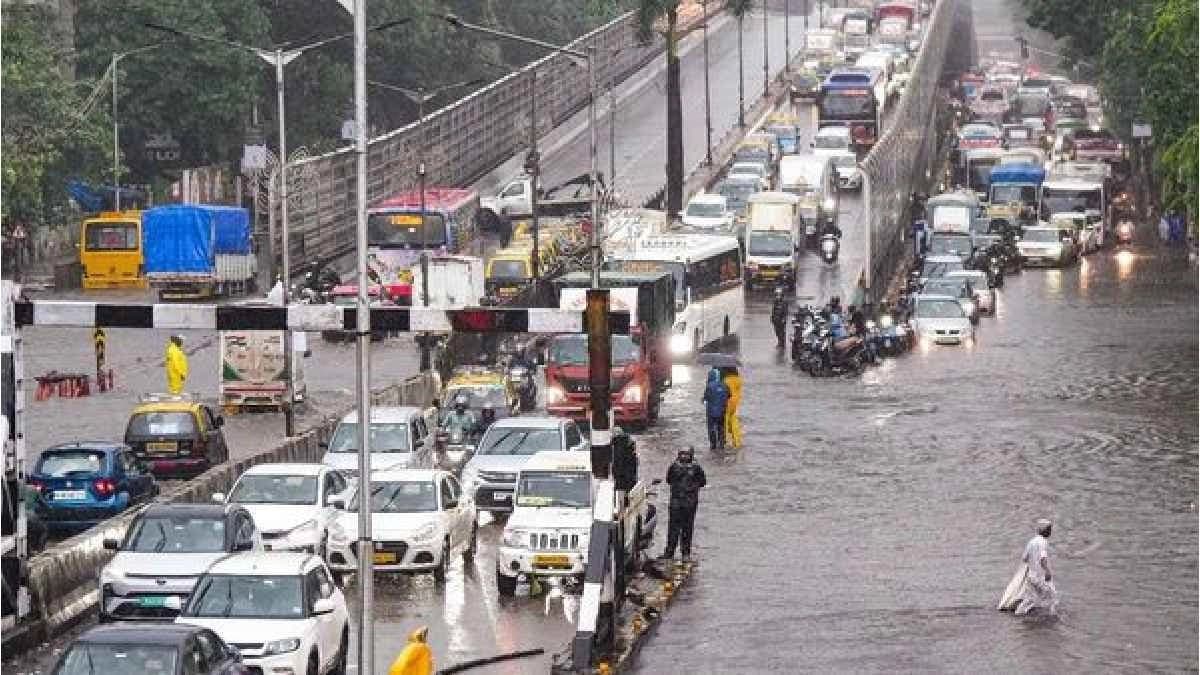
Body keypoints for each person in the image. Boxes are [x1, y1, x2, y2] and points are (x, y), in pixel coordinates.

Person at [661, 447, 707, 561]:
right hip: (676, 501)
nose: (684, 457)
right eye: (682, 454)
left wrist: (692, 489)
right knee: (673, 528)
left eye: (686, 455)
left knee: (687, 527)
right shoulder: (674, 466)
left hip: (690, 502)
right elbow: (668, 480)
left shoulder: (696, 468)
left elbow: (703, 482)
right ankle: (670, 551)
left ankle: (685, 552)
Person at [1015, 518, 1059, 616]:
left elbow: (1024, 558)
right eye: (1049, 529)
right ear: (1045, 531)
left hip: (1031, 576)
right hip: (1041, 576)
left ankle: (1018, 614)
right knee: (1053, 597)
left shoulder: (1031, 542)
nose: (1050, 532)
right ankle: (1052, 619)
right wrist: (1047, 571)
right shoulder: (1043, 542)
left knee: (1030, 598)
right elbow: (1043, 559)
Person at [701, 368, 729, 451]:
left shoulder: (709, 386)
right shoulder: (724, 385)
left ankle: (713, 445)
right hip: (722, 411)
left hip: (711, 412)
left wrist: (703, 400)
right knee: (721, 427)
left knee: (711, 428)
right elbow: (729, 395)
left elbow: (706, 398)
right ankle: (722, 443)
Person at [721, 367, 743, 449]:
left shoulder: (725, 380)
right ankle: (737, 442)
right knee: (734, 423)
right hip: (735, 405)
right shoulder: (739, 380)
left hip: (726, 404)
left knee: (725, 424)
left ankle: (725, 442)